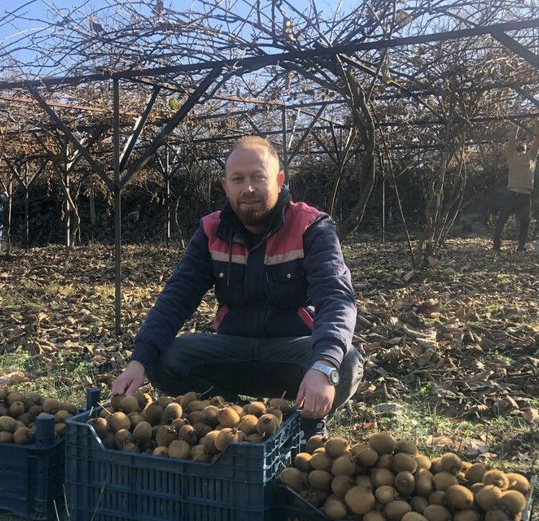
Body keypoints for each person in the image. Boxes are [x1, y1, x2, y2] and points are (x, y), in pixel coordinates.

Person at [111, 136, 363, 441]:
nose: (249, 188)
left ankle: (307, 422)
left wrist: (324, 365)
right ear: (225, 186)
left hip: (291, 352)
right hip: (234, 349)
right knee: (164, 360)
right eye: (238, 179)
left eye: (258, 177)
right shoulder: (210, 230)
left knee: (344, 363)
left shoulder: (311, 227)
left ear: (280, 180)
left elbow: (336, 297)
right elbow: (177, 296)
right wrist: (138, 360)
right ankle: (237, 415)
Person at [493, 119, 539, 252]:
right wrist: (517, 124)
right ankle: (496, 245)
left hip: (525, 196)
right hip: (512, 194)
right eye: (519, 141)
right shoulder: (511, 155)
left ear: (527, 147)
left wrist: (537, 124)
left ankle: (521, 247)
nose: (522, 142)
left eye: (524, 142)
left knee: (525, 223)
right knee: (502, 220)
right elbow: (511, 139)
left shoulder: (531, 156)